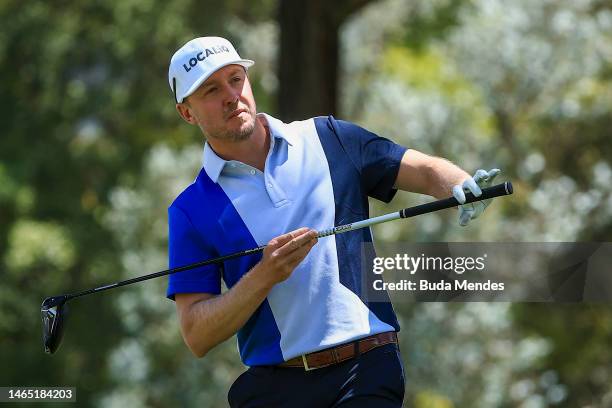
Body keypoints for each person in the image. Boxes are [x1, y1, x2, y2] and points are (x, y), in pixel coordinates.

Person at [165, 36, 500, 407]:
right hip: (275, 388)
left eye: (235, 78)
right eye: (211, 89)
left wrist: (459, 184)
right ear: (187, 112)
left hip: (366, 366)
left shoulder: (327, 137)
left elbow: (420, 169)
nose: (231, 95)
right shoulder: (190, 210)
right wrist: (265, 275)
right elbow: (197, 334)